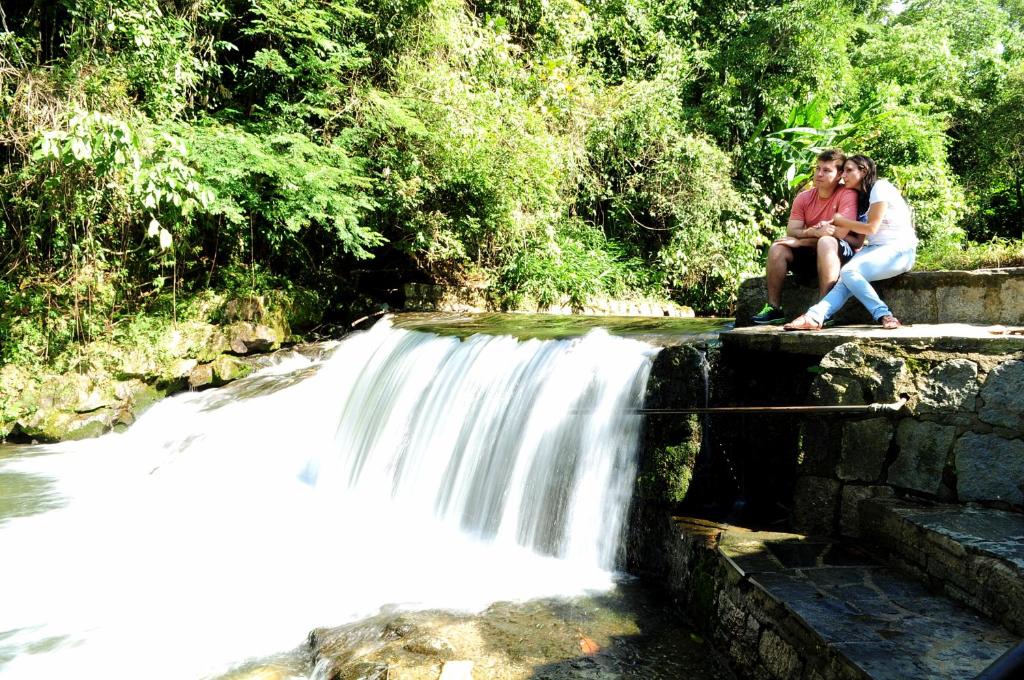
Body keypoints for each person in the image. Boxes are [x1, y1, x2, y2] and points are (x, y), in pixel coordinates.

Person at [783, 154, 917, 331]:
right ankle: (814, 317)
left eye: (849, 170)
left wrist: (839, 220)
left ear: (864, 171)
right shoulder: (863, 196)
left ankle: (884, 315)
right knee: (845, 279)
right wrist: (825, 227)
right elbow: (856, 235)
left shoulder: (880, 187)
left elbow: (871, 228)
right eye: (843, 171)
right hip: (876, 249)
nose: (843, 175)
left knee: (848, 271)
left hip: (900, 249)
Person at [752, 149, 864, 325]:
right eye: (817, 168)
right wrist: (811, 233)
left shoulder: (847, 194)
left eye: (827, 170)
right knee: (778, 247)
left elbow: (839, 233)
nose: (819, 174)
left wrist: (800, 240)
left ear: (839, 175)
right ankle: (774, 308)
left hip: (841, 254)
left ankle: (824, 309)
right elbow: (792, 230)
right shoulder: (804, 197)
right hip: (813, 252)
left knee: (827, 241)